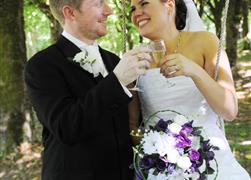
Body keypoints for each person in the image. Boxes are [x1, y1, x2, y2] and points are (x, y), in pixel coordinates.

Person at [24, 0, 152, 180]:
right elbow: (66, 127)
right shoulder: (41, 65)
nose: (108, 11)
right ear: (70, 13)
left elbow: (130, 123)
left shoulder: (114, 61)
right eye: (99, 4)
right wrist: (117, 81)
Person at [129, 0, 251, 179]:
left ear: (169, 5)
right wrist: (157, 153)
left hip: (211, 159)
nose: (136, 13)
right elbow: (132, 126)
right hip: (162, 170)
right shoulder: (135, 60)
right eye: (133, 9)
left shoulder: (205, 41)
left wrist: (194, 70)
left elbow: (230, 111)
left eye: (144, 4)